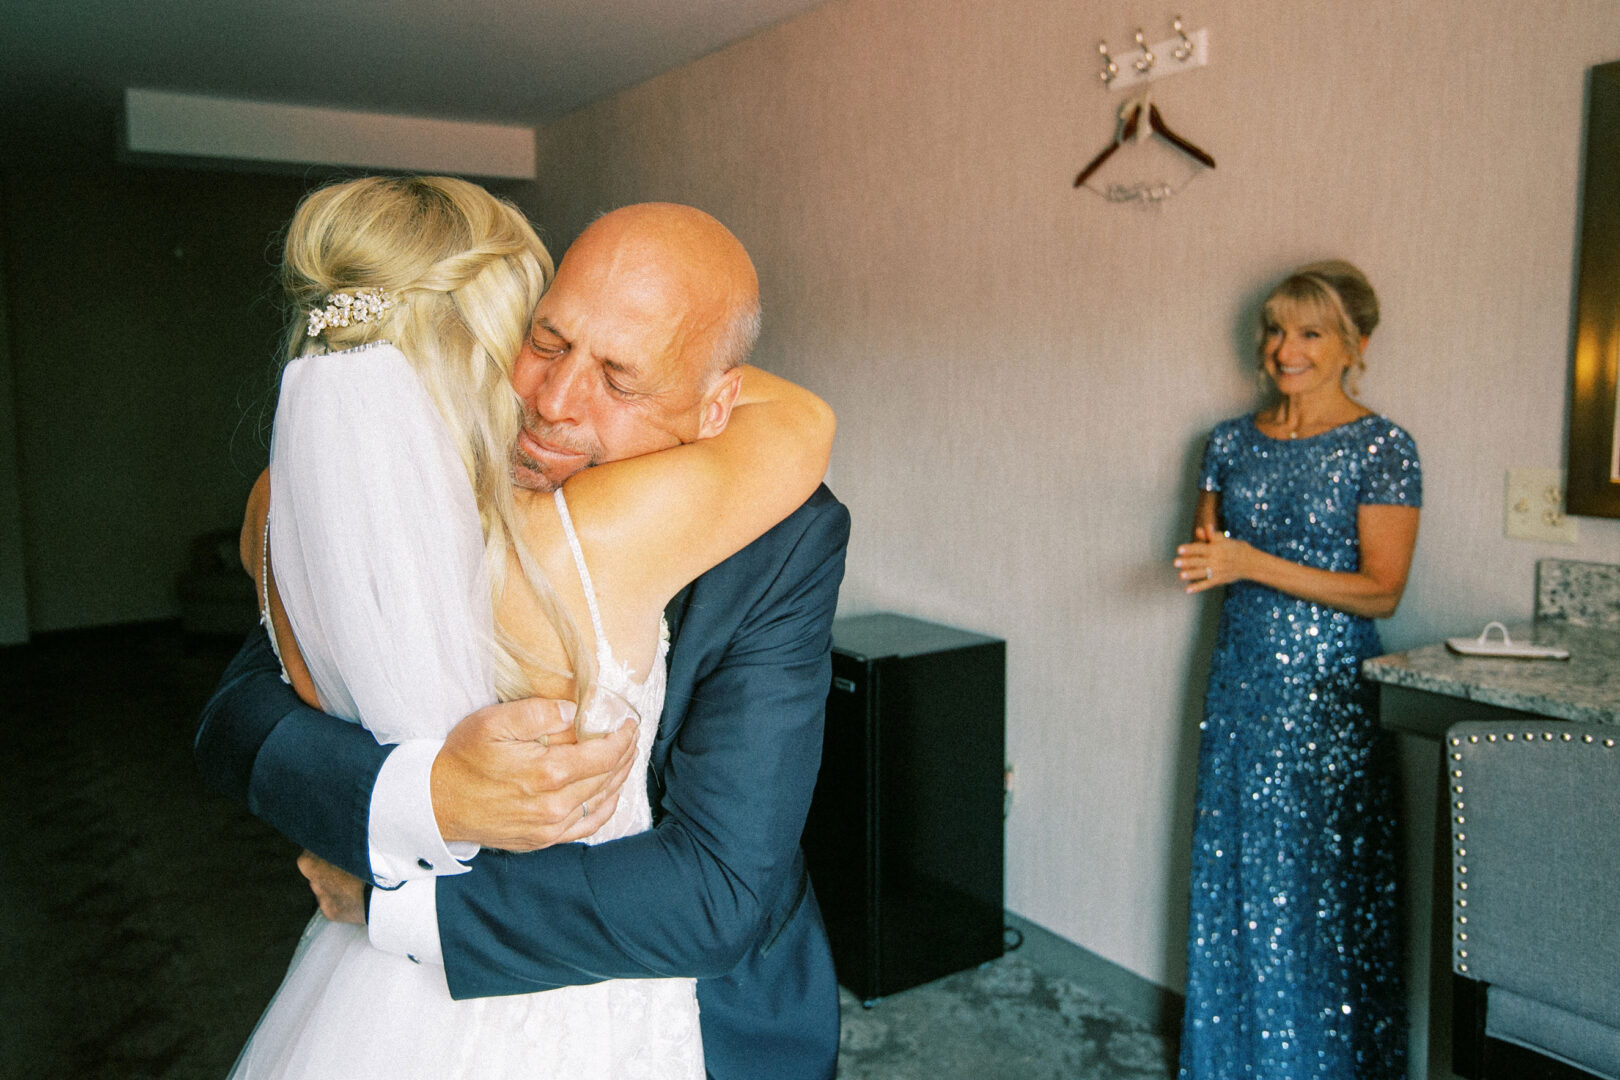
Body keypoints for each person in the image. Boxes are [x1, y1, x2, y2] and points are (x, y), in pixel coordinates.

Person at [204, 179, 845, 1078]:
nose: (552, 401)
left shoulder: (787, 529)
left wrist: (396, 899)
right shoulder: (400, 505)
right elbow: (239, 716)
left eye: (620, 377)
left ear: (716, 406)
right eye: (542, 339)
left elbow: (718, 888)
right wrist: (417, 795)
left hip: (695, 997)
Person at [1171, 261, 1420, 1079]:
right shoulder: (1230, 442)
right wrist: (1215, 557)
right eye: (1277, 329)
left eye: (1310, 332)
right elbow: (1211, 553)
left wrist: (1249, 560)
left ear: (1357, 345)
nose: (1286, 348)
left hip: (1330, 698)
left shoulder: (1382, 447)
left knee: (1322, 890)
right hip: (1241, 686)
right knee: (1241, 877)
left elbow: (1381, 591)